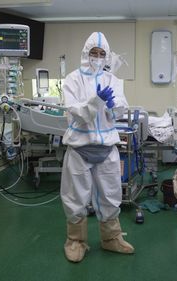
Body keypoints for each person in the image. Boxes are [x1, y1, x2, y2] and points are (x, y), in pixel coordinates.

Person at [60, 32, 134, 263]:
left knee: (111, 195)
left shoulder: (113, 80)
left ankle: (111, 239)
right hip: (80, 148)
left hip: (107, 147)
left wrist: (114, 105)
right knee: (76, 198)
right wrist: (97, 101)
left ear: (107, 56)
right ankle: (76, 241)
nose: (98, 57)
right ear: (86, 54)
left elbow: (120, 110)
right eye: (94, 53)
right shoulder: (72, 80)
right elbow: (77, 114)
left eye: (102, 54)